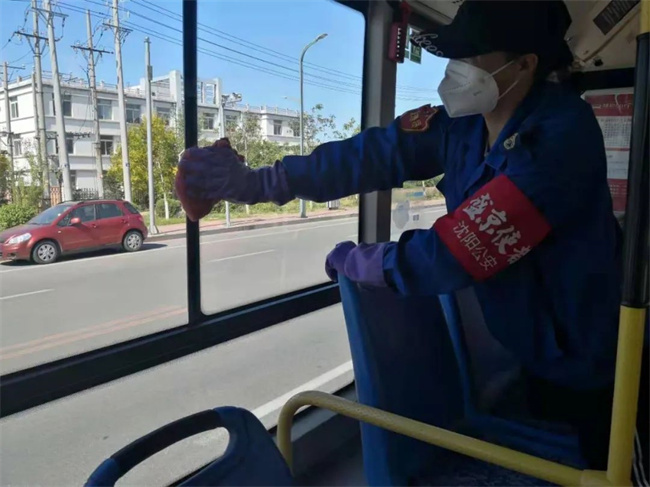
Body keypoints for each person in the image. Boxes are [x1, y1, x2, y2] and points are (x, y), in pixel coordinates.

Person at [176, 0, 648, 481]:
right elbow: (371, 155)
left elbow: (462, 249)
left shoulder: (561, 134)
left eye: (471, 54)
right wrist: (262, 182)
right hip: (530, 343)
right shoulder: (462, 128)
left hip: (598, 359)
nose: (456, 68)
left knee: (609, 470)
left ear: (525, 64)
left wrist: (377, 262)